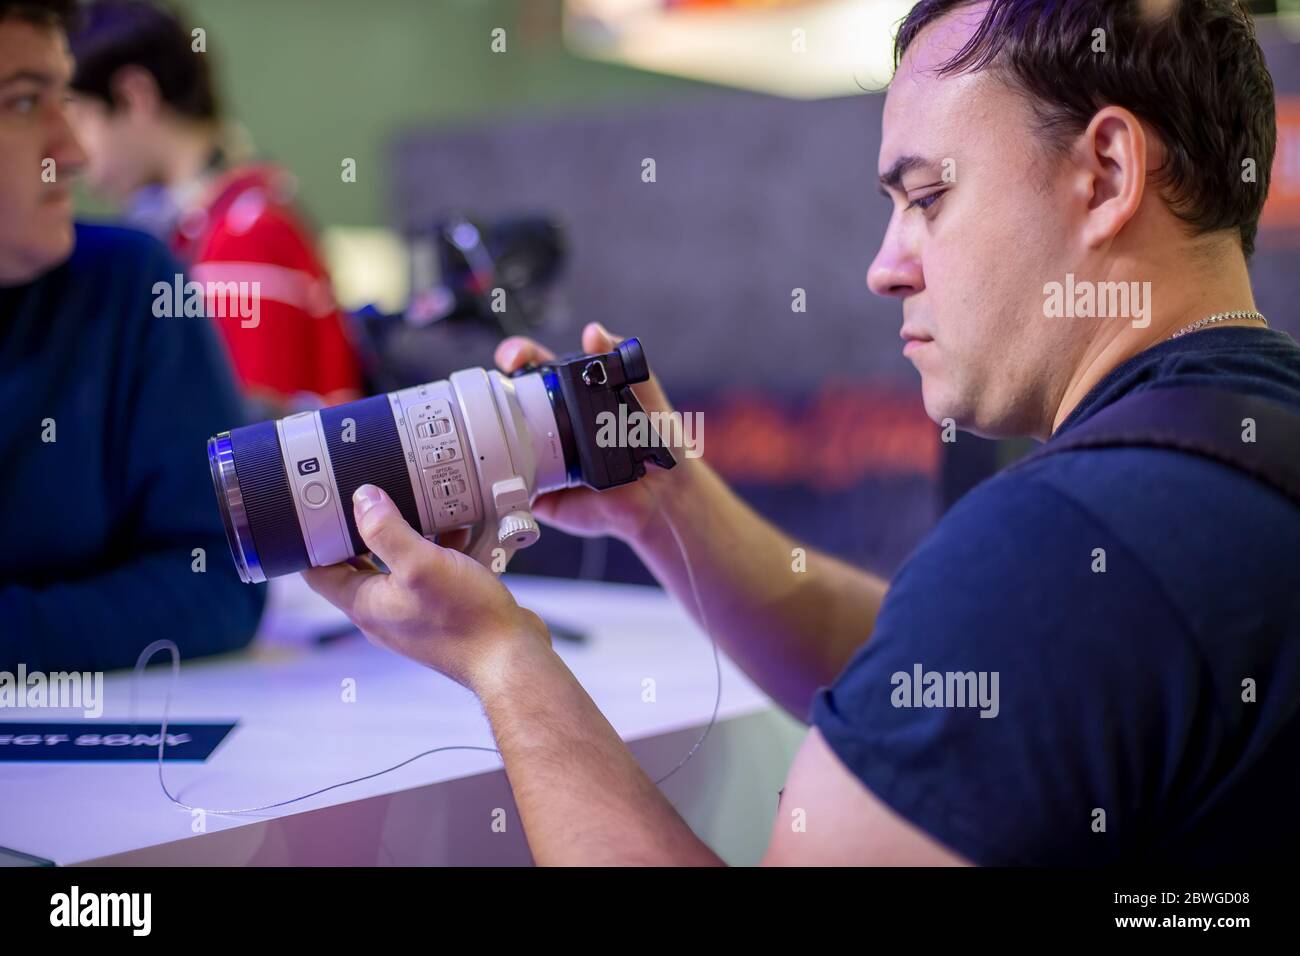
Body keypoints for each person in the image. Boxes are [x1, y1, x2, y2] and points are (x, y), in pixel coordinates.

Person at [305, 0, 1300, 865]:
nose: (886, 266)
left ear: (1106, 172)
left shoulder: (1065, 546)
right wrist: (670, 505)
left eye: (928, 199)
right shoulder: (1237, 450)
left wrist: (500, 658)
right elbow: (939, 671)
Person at [0, 0, 263, 671]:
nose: (76, 150)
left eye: (64, 98)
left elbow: (219, 578)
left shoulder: (135, 282)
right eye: (26, 103)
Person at [66, 0, 364, 415]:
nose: (72, 153)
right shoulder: (224, 219)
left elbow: (252, 454)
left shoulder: (241, 237)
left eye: (76, 118)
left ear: (133, 96)